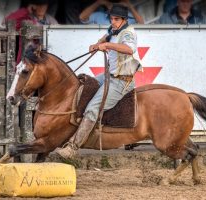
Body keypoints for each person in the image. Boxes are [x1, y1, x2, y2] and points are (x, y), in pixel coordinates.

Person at [55, 4, 142, 159]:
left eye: (116, 19)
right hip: (110, 75)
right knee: (84, 88)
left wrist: (107, 45)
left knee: (93, 108)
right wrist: (97, 45)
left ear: (124, 20)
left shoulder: (129, 33)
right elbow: (104, 39)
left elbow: (129, 49)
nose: (113, 21)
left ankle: (72, 148)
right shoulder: (113, 29)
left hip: (122, 81)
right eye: (111, 18)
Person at [79, 0, 144, 24]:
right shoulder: (99, 15)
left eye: (116, 4)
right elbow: (82, 17)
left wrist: (129, 6)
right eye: (111, 4)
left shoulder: (127, 16)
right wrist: (98, 3)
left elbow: (141, 23)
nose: (114, 7)